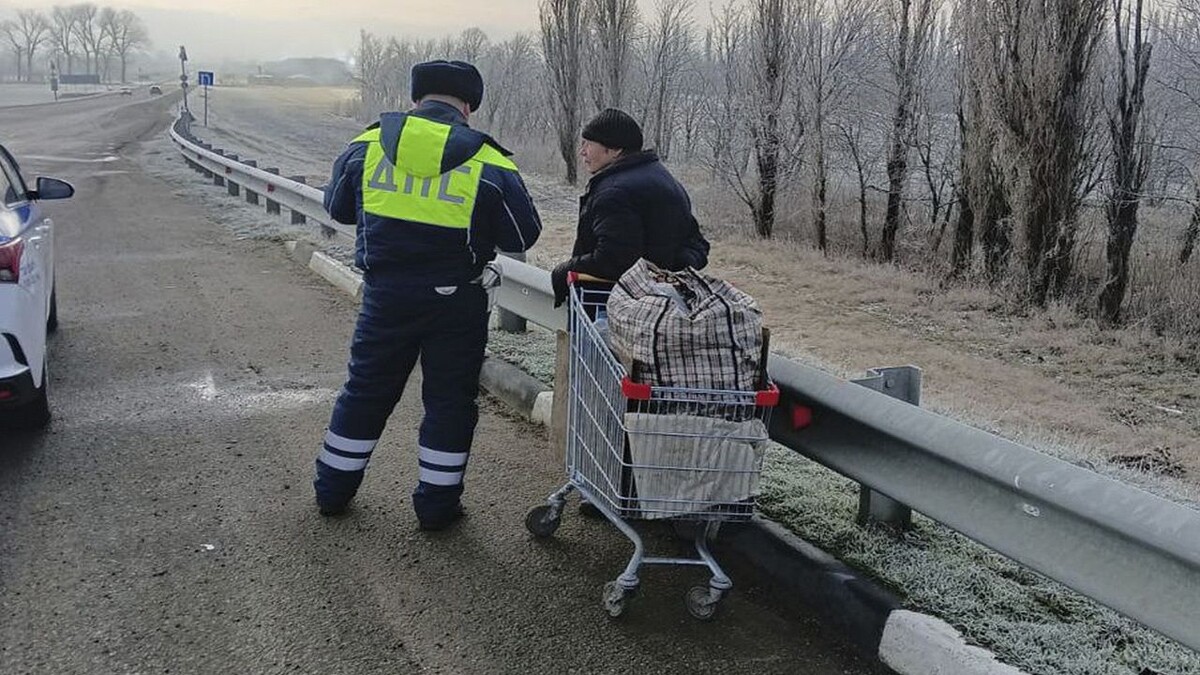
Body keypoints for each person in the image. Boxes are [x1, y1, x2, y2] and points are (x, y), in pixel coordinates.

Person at [314, 60, 542, 530]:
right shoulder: (488, 160)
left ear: (416, 98)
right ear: (469, 106)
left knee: (365, 393)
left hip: (385, 295)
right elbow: (524, 232)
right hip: (455, 302)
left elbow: (337, 208)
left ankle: (331, 492)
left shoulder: (367, 144)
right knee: (449, 403)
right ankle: (436, 509)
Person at [550, 108, 710, 307]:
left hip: (615, 307)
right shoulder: (665, 180)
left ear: (615, 150)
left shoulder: (614, 192)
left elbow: (613, 260)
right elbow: (697, 245)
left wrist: (564, 271)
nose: (582, 151)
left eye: (588, 144)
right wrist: (668, 273)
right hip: (667, 309)